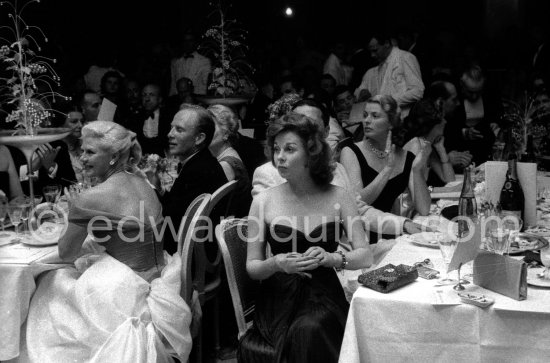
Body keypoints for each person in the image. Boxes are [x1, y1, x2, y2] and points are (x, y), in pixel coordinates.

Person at [24, 121, 192, 362]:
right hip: (161, 277)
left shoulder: (91, 198)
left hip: (125, 289)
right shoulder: (142, 181)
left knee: (50, 280)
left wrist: (73, 214)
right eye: (82, 150)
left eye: (90, 152)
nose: (82, 158)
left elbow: (67, 254)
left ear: (113, 156)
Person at [242, 113, 373, 362]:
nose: (279, 157)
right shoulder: (263, 201)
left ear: (311, 152)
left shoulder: (339, 197)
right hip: (278, 298)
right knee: (302, 330)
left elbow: (365, 255)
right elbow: (253, 267)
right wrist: (276, 263)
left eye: (290, 149)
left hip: (323, 292)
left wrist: (333, 258)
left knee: (311, 328)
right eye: (277, 149)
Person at [340, 95, 431, 242]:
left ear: (391, 123)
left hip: (395, 233)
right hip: (362, 237)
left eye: (375, 116)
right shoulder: (351, 152)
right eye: (365, 115)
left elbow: (424, 208)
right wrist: (387, 170)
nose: (367, 120)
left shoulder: (405, 156)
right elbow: (356, 204)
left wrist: (416, 170)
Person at [158, 104, 227, 254]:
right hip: (195, 249)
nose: (170, 134)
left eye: (179, 129)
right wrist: (158, 188)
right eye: (171, 128)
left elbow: (170, 220)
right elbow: (177, 208)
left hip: (187, 256)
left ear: (199, 138)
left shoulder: (199, 171)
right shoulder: (202, 161)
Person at [355, 31, 424, 117]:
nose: (372, 55)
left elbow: (418, 91)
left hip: (402, 118)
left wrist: (388, 102)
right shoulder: (379, 67)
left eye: (375, 50)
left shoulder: (405, 57)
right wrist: (361, 93)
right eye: (370, 52)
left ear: (387, 43)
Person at [208, 104, 252, 217]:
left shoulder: (226, 164)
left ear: (226, 134)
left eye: (211, 127)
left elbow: (210, 207)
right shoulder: (220, 156)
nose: (205, 132)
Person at [403, 99, 455, 187]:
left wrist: (441, 150)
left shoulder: (426, 145)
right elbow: (412, 190)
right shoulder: (415, 147)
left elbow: (449, 180)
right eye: (442, 118)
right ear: (434, 123)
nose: (445, 122)